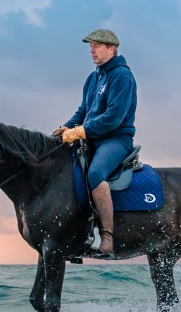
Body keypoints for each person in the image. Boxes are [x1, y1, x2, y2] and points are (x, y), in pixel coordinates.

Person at [52, 29, 136, 255]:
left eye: (97, 45)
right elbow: (83, 111)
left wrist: (79, 132)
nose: (92, 50)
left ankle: (107, 237)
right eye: (91, 46)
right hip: (92, 139)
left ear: (112, 49)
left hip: (116, 139)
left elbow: (113, 117)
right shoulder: (93, 78)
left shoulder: (122, 76)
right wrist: (66, 128)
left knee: (95, 174)